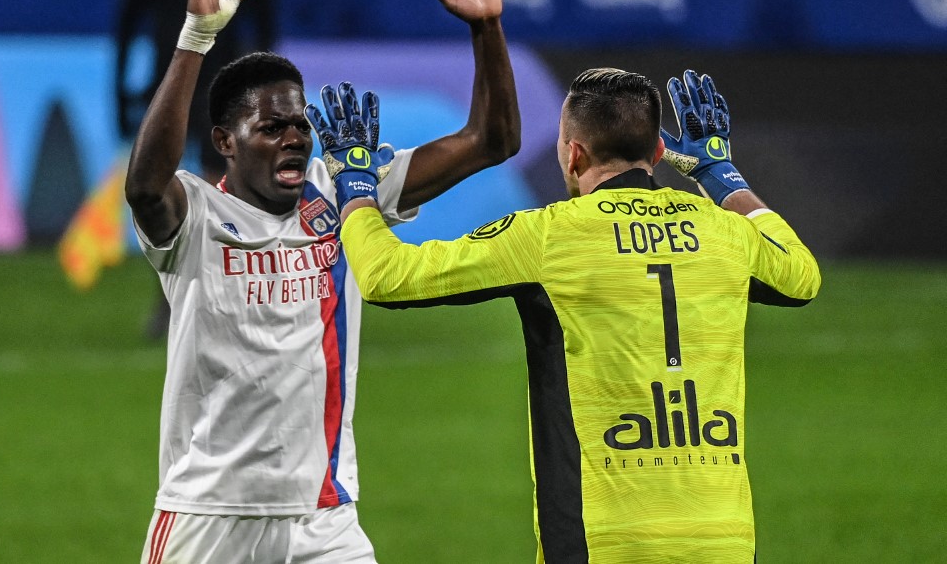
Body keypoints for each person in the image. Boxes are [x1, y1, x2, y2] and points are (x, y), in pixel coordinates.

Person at [125, 0, 519, 563]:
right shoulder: (193, 217)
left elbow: (491, 139)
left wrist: (486, 27)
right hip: (209, 516)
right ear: (225, 143)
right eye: (271, 127)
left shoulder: (343, 192)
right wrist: (195, 37)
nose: (294, 136)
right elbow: (145, 184)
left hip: (325, 520)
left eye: (300, 124)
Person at [326, 67, 821, 562]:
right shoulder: (724, 233)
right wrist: (719, 176)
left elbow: (387, 277)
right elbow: (801, 275)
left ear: (574, 153)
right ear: (657, 154)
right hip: (723, 539)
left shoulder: (548, 236)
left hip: (601, 540)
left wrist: (355, 188)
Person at [116, 0, 282, 338]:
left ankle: (227, 297)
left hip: (221, 101)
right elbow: (125, 30)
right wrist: (120, 96)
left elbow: (267, 33)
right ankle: (170, 301)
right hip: (167, 98)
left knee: (221, 198)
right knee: (155, 196)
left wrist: (261, 100)